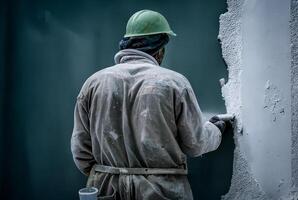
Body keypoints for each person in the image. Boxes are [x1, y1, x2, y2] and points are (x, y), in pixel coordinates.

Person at [71, 9, 226, 200]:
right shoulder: (174, 83)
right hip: (161, 191)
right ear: (160, 50)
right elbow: (196, 143)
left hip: (107, 190)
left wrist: (109, 173)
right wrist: (216, 129)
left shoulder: (93, 83)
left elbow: (81, 153)